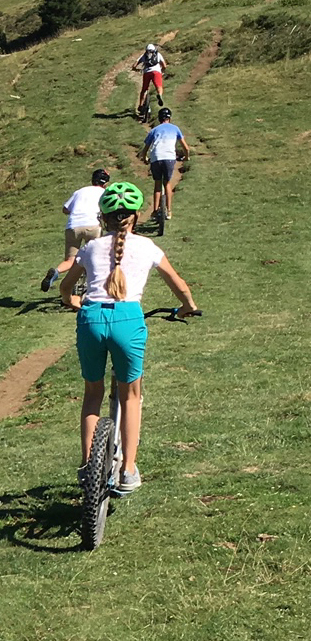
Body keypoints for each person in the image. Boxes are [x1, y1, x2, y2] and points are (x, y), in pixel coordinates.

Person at [58, 182, 199, 493]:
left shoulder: (90, 248)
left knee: (92, 394)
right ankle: (129, 470)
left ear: (103, 218)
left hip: (91, 318)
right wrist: (188, 307)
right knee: (130, 395)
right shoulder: (148, 247)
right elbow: (178, 283)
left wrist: (72, 301)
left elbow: (66, 287)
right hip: (128, 320)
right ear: (135, 217)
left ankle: (87, 468)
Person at [41, 168, 110, 292]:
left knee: (70, 260)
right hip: (93, 225)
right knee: (94, 256)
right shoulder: (105, 193)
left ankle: (56, 272)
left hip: (73, 226)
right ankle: (92, 287)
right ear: (105, 183)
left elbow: (65, 209)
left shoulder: (80, 191)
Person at [138, 106, 191, 221]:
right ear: (169, 118)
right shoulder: (175, 129)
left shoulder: (154, 130)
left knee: (158, 185)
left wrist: (145, 158)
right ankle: (169, 210)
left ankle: (155, 211)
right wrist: (186, 157)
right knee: (167, 184)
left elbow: (145, 149)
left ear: (159, 118)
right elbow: (186, 148)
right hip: (169, 158)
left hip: (156, 158)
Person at [131, 42, 167, 117]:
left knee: (144, 89)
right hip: (156, 72)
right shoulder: (158, 54)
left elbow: (134, 65)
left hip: (147, 72)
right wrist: (162, 70)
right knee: (159, 86)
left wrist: (136, 69)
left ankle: (140, 105)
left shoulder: (144, 55)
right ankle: (159, 95)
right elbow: (164, 65)